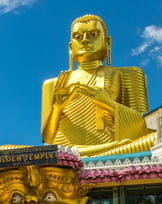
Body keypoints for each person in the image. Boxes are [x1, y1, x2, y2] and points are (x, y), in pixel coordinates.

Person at [40, 14, 155, 156]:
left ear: (107, 42)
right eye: (78, 37)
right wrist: (57, 108)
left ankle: (79, 154)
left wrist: (110, 105)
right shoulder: (53, 83)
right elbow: (47, 139)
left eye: (92, 34)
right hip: (62, 152)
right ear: (70, 47)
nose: (85, 41)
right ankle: (74, 154)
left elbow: (141, 127)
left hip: (112, 148)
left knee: (154, 139)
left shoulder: (128, 74)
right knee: (6, 150)